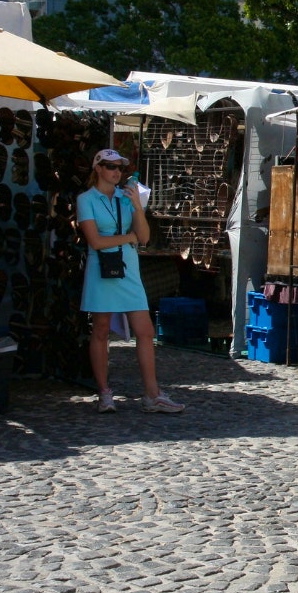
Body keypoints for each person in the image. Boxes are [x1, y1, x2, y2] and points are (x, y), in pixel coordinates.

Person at [78, 149, 182, 415]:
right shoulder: (86, 200)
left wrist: (137, 205)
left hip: (128, 268)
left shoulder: (126, 198)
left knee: (145, 330)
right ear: (98, 168)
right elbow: (95, 241)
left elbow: (144, 237)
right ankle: (104, 392)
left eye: (120, 167)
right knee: (101, 329)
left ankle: (152, 394)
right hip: (102, 268)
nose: (117, 172)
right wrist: (128, 238)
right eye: (110, 166)